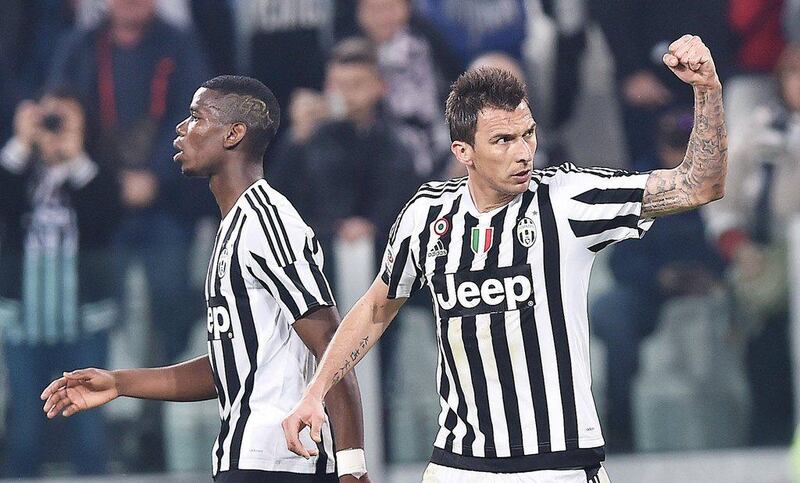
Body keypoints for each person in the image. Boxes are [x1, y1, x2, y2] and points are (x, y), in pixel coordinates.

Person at [283, 34, 727, 482]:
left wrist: (707, 89)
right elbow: (377, 307)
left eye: (528, 134)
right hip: (458, 466)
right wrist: (316, 391)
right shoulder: (426, 214)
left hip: (559, 467)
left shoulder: (567, 198)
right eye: (502, 140)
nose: (522, 151)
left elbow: (699, 185)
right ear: (463, 152)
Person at [40, 76, 371, 483]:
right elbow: (230, 367)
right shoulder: (236, 225)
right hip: (247, 461)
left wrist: (352, 469)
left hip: (282, 461)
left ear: (234, 134)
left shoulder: (268, 221)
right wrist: (120, 382)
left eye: (197, 117)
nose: (182, 127)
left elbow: (331, 343)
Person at [1, 89, 121, 477]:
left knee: (89, 431)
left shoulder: (94, 170)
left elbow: (106, 223)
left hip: (83, 319)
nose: (53, 126)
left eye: (64, 118)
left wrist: (74, 158)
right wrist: (20, 145)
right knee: (25, 427)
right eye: (46, 118)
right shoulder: (18, 172)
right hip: (23, 320)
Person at [590, 109, 726, 452]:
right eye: (673, 144)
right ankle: (621, 433)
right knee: (611, 312)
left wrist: (710, 273)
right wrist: (660, 277)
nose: (678, 153)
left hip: (701, 288)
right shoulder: (639, 183)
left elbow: (724, 237)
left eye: (686, 143)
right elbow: (622, 260)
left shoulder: (715, 177)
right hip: (650, 289)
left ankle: (725, 434)